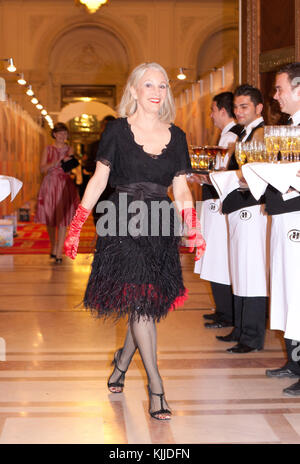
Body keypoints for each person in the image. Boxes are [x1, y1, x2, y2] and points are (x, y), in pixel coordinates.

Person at [64, 62, 206, 420]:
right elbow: (98, 180)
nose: (156, 92)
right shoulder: (116, 131)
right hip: (122, 222)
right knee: (141, 301)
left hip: (159, 224)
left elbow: (179, 187)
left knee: (146, 301)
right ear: (135, 90)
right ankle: (156, 386)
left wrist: (194, 227)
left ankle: (122, 361)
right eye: (149, 85)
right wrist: (77, 224)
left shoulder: (178, 135)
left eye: (162, 85)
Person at [215, 84, 269, 353]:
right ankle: (240, 328)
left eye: (244, 106)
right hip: (239, 208)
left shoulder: (262, 133)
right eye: (236, 106)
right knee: (239, 269)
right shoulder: (245, 134)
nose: (238, 111)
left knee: (252, 272)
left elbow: (255, 174)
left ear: (259, 108)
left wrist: (226, 177)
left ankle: (251, 335)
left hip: (253, 209)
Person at [263, 62, 300, 395]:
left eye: (280, 89)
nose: (276, 96)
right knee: (289, 290)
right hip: (284, 219)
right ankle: (295, 360)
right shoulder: (288, 128)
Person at [193, 92, 242, 329]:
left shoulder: (231, 136)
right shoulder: (227, 135)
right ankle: (223, 309)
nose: (211, 116)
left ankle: (226, 312)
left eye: (213, 111)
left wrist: (201, 177)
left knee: (220, 257)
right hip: (215, 202)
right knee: (214, 256)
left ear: (223, 111)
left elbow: (222, 175)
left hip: (220, 204)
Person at [35, 122, 80, 263]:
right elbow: (42, 169)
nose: (63, 136)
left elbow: (69, 168)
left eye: (65, 133)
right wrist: (56, 162)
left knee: (62, 219)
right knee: (50, 218)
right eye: (60, 133)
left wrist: (69, 161)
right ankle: (54, 245)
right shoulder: (48, 149)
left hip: (64, 185)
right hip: (49, 184)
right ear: (54, 134)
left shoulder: (69, 149)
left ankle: (59, 251)